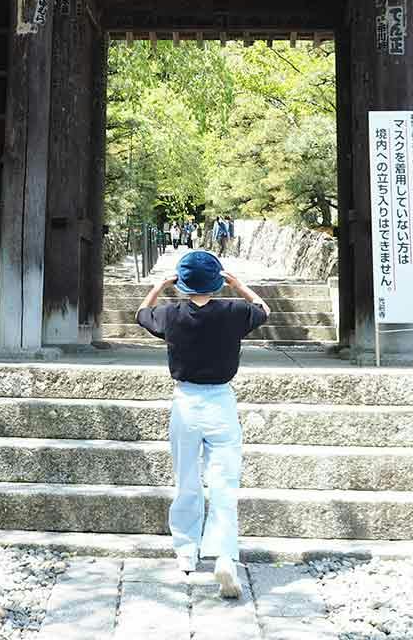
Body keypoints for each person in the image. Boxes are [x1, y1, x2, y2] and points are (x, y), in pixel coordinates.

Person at [136, 250, 269, 598]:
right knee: (224, 482)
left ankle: (186, 553)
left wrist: (159, 286)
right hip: (221, 402)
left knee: (186, 479)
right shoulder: (234, 311)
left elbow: (141, 314)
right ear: (217, 281)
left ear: (181, 283)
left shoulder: (170, 314)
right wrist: (238, 285)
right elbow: (264, 309)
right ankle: (224, 555)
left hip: (186, 403)